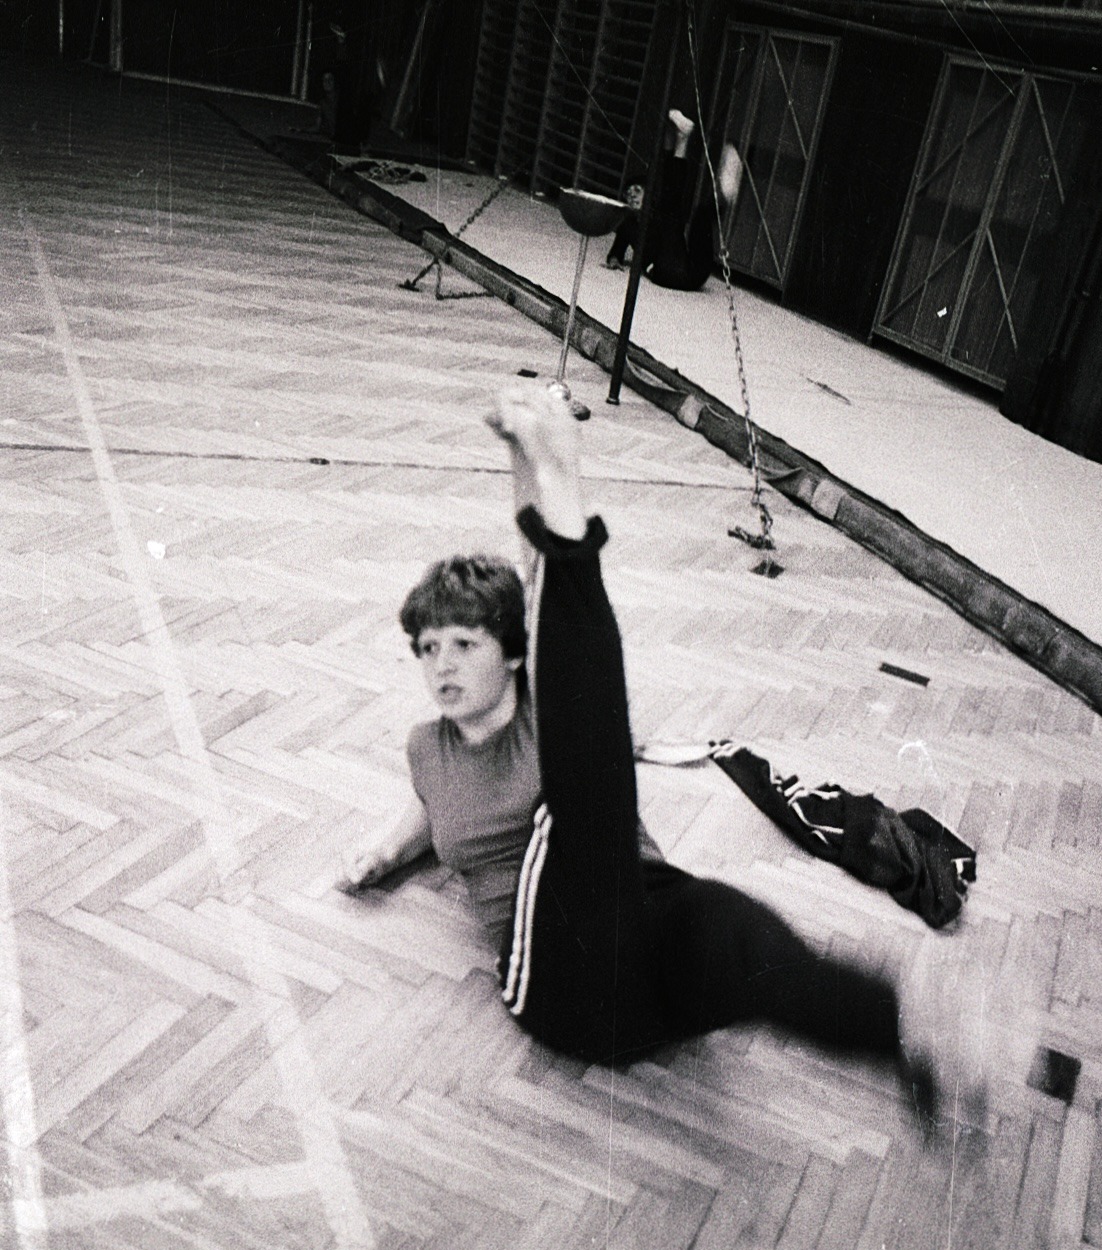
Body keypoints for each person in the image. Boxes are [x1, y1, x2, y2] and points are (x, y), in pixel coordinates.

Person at [342, 382, 985, 1129]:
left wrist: (520, 449)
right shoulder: (427, 746)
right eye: (427, 649)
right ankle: (567, 488)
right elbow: (431, 805)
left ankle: (910, 1039)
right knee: (579, 814)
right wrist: (384, 853)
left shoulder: (546, 711)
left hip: (650, 962)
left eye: (464, 644)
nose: (442, 666)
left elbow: (536, 584)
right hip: (562, 982)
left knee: (726, 924)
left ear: (515, 654)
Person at [605, 110, 742, 292]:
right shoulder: (628, 224)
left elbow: (668, 184)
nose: (631, 196)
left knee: (698, 215)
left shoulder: (659, 210)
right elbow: (617, 251)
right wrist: (614, 260)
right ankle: (683, 140)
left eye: (637, 190)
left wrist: (669, 139)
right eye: (628, 194)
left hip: (693, 272)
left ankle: (723, 196)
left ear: (648, 194)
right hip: (664, 272)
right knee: (670, 205)